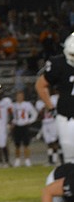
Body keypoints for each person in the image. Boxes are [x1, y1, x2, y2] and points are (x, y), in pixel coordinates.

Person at [36, 32, 74, 162]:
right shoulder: (58, 63)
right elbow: (41, 85)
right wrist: (51, 108)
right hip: (67, 117)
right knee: (69, 157)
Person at [11, 90, 38, 167]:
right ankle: (17, 160)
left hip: (24, 125)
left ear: (23, 97)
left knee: (26, 144)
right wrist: (12, 122)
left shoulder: (27, 104)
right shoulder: (13, 105)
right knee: (17, 144)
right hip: (17, 126)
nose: (19, 97)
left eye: (21, 96)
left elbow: (34, 113)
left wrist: (29, 121)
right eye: (18, 96)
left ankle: (27, 160)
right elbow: (11, 115)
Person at [36, 88, 63, 166]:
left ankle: (57, 159)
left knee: (55, 141)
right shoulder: (39, 103)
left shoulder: (53, 98)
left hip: (53, 122)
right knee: (49, 142)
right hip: (45, 123)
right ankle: (51, 160)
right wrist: (43, 108)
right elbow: (40, 117)